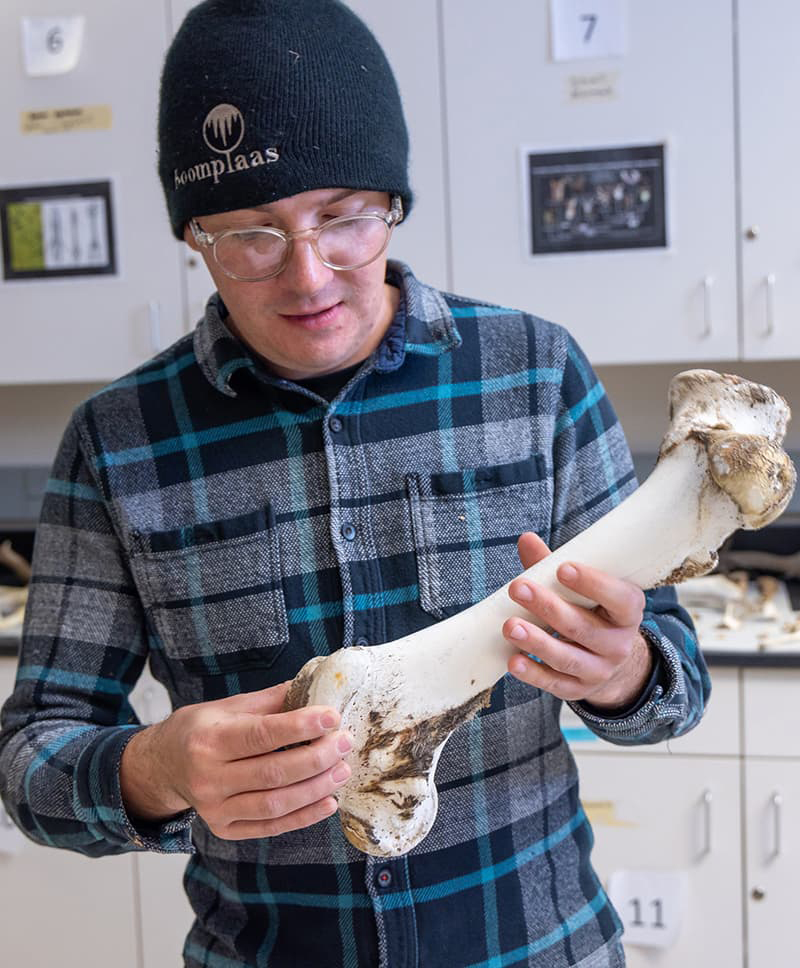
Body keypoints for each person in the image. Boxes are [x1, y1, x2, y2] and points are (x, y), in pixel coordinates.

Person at [0, 2, 710, 965]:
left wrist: (624, 672)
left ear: (393, 202)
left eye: (344, 218)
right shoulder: (118, 443)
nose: (309, 275)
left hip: (539, 946)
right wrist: (154, 767)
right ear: (194, 236)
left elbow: (674, 677)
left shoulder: (535, 375)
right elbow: (34, 751)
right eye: (252, 233)